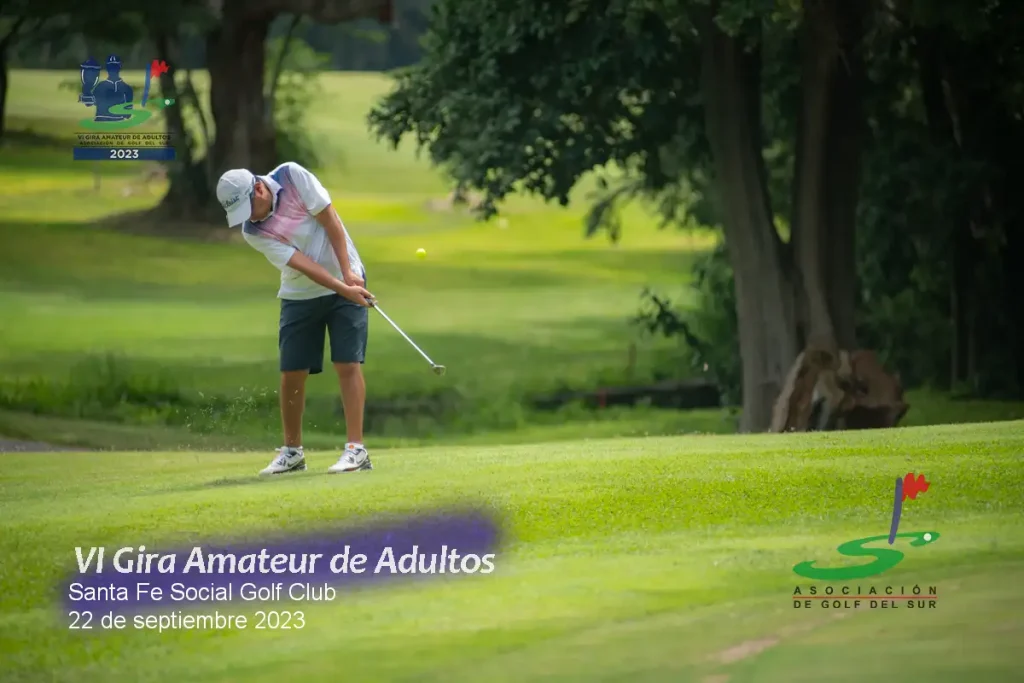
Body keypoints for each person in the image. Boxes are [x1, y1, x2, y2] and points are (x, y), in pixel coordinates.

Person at [216, 163, 376, 476]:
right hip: (299, 292)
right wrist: (342, 288)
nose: (250, 217)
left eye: (250, 208)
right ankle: (292, 453)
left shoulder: (292, 176)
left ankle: (356, 450)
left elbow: (330, 220)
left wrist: (347, 273)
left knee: (347, 363)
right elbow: (301, 263)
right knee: (292, 372)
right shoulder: (253, 232)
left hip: (348, 275)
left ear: (259, 188)